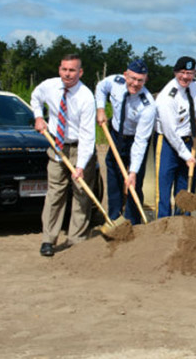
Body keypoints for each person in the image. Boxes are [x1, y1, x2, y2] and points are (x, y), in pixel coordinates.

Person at [31, 53, 96, 257]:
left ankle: (77, 241)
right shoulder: (49, 86)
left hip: (80, 147)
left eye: (72, 70)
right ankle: (48, 240)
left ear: (80, 72)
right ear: (60, 69)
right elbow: (35, 97)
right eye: (64, 69)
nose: (67, 74)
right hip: (56, 145)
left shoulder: (86, 97)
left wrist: (81, 166)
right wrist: (39, 116)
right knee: (55, 193)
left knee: (81, 193)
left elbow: (88, 136)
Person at [95, 59, 156, 225]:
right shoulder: (114, 82)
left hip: (136, 138)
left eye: (140, 80)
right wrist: (100, 109)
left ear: (145, 80)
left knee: (134, 181)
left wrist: (133, 171)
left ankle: (132, 221)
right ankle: (114, 217)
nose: (135, 84)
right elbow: (100, 87)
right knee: (113, 173)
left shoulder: (148, 105)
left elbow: (141, 141)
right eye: (132, 78)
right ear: (125, 75)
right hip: (115, 134)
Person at [155, 56, 196, 217]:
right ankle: (163, 222)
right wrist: (186, 155)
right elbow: (170, 131)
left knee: (185, 184)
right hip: (168, 143)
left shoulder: (194, 86)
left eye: (190, 73)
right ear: (175, 72)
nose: (186, 77)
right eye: (182, 72)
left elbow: (192, 107)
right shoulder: (167, 97)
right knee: (164, 186)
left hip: (188, 140)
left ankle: (183, 221)